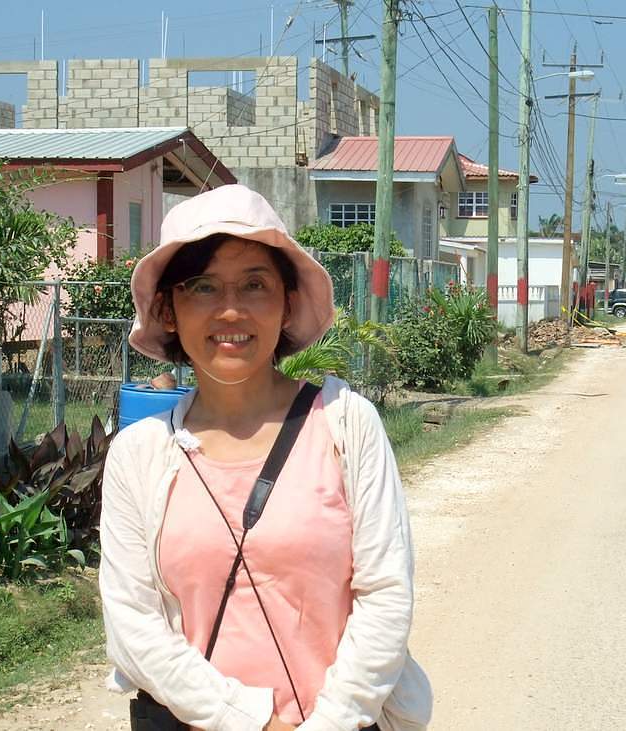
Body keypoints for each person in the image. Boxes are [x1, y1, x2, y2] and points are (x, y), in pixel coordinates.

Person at [99, 185, 431, 731]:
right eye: (202, 287)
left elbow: (386, 595)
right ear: (169, 310)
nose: (231, 309)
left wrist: (330, 723)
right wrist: (253, 722)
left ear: (287, 303)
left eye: (255, 284)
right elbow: (134, 627)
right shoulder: (140, 454)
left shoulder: (346, 423)